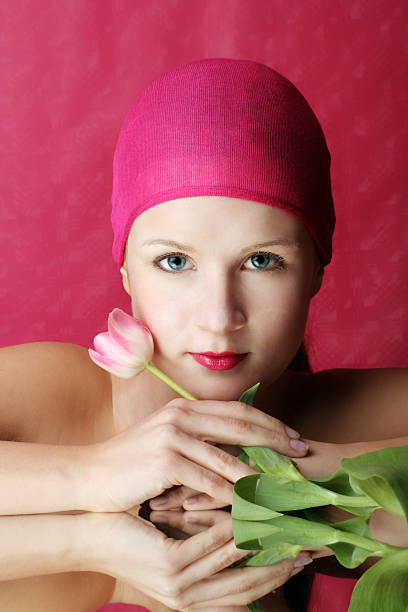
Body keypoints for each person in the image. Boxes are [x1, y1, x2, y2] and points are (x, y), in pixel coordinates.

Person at [0, 58, 407, 612]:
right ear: (125, 271)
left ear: (316, 269)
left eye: (262, 261)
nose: (219, 317)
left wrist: (312, 470)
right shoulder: (56, 392)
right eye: (173, 261)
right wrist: (92, 483)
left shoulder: (351, 415)